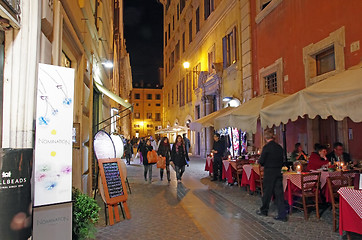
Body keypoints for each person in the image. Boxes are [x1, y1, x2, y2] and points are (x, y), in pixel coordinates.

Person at [256, 129, 287, 222]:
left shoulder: (266, 148)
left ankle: (264, 210)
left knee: (267, 192)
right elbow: (283, 160)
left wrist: (260, 160)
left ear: (265, 138)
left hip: (269, 172)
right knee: (279, 194)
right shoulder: (279, 147)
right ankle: (282, 214)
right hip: (278, 171)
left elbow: (261, 161)